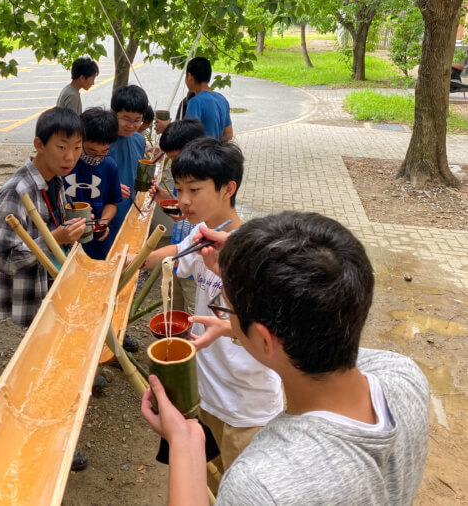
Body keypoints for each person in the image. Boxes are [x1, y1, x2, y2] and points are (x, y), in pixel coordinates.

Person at [143, 211, 430, 504]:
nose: (225, 316)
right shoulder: (404, 375)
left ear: (265, 340)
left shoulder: (261, 484)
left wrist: (184, 446)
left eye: (226, 309)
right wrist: (244, 268)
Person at [139, 138, 283, 486]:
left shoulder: (255, 252)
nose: (183, 199)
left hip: (246, 408)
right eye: (179, 188)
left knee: (241, 489)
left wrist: (227, 277)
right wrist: (127, 263)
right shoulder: (203, 234)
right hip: (206, 395)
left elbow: (268, 329)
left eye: (195, 189)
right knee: (212, 481)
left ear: (227, 189)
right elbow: (174, 252)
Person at [0, 107, 86, 327]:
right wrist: (54, 239)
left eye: (77, 148)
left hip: (55, 285)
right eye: (62, 147)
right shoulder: (17, 191)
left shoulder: (55, 179)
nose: (70, 157)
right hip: (33, 295)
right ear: (39, 145)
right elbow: (3, 260)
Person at [149, 118, 205, 314]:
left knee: (193, 317)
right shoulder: (183, 179)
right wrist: (165, 200)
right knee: (175, 313)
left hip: (197, 268)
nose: (174, 164)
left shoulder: (207, 183)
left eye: (176, 158)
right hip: (178, 261)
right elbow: (183, 216)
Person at [64, 107, 123, 260]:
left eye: (104, 151)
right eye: (90, 151)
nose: (97, 157)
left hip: (97, 240)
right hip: (66, 236)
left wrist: (103, 222)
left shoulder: (109, 165)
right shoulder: (66, 164)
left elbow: (112, 202)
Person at [155, 57, 233, 142]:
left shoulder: (195, 102)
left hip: (199, 153)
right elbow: (228, 134)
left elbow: (188, 135)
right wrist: (213, 142)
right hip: (215, 153)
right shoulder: (222, 99)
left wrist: (167, 127)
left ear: (190, 76)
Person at [107, 84, 149, 237]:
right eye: (126, 119)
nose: (131, 125)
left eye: (137, 120)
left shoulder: (139, 140)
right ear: (113, 112)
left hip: (132, 213)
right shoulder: (101, 142)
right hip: (106, 218)